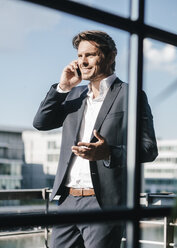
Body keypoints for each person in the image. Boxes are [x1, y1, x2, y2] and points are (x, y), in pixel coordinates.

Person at [33, 30, 158, 248]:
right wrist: (62, 87)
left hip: (103, 202)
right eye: (80, 56)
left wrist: (109, 152)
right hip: (67, 200)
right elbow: (41, 123)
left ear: (111, 57)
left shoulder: (131, 95)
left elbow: (149, 148)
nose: (83, 61)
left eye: (90, 55)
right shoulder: (74, 94)